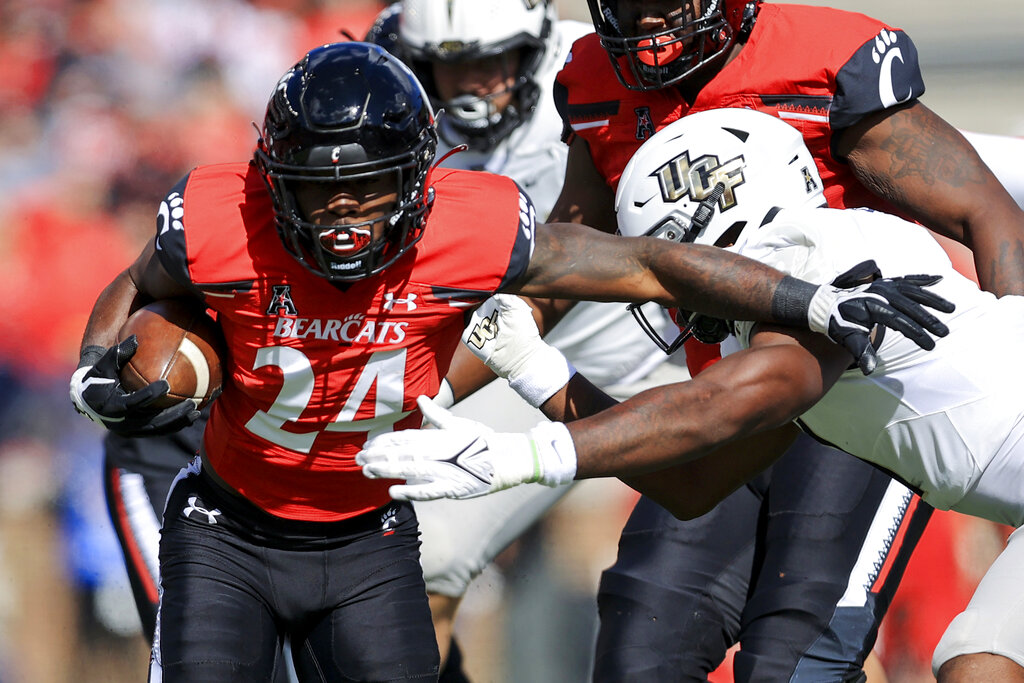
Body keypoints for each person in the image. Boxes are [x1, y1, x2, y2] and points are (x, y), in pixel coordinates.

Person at [66, 43, 941, 681]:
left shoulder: (472, 227)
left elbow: (648, 262)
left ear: (415, 182)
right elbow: (136, 280)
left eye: (367, 186)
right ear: (273, 180)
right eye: (315, 187)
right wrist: (95, 368)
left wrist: (804, 299)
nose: (341, 212)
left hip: (369, 536)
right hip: (229, 529)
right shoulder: (225, 218)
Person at [357, 107, 1024, 682]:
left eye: (682, 262)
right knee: (978, 658)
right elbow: (693, 481)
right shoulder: (770, 321)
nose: (673, 293)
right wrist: (540, 373)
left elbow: (723, 404)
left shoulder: (831, 258)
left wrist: (517, 456)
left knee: (976, 662)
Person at [367, 0, 684, 672]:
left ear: (535, 43)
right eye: (451, 65)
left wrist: (435, 384)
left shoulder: (604, 71)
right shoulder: (405, 109)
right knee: (411, 561)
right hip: (524, 347)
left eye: (492, 58)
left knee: (789, 594)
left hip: (671, 340)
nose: (474, 82)